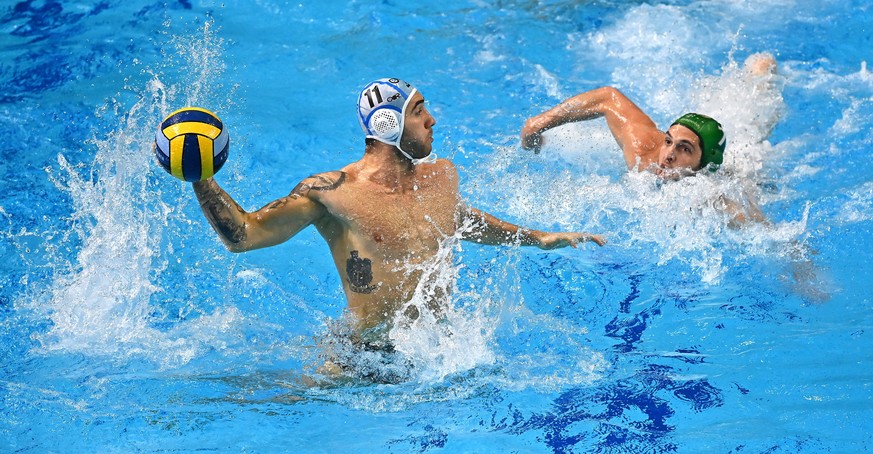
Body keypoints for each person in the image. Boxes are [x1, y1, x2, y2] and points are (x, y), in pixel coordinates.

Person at [191, 78, 606, 378]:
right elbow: (243, 236)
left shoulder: (440, 176)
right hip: (359, 360)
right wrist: (200, 176)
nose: (432, 119)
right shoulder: (332, 192)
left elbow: (457, 219)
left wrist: (537, 238)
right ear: (389, 123)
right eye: (419, 110)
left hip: (436, 355)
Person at [520, 54, 778, 225]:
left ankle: (762, 76)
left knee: (753, 142)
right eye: (669, 141)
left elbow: (769, 234)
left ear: (703, 164)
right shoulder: (643, 151)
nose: (668, 155)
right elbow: (607, 97)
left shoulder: (716, 194)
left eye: (684, 149)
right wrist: (539, 123)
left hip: (741, 166)